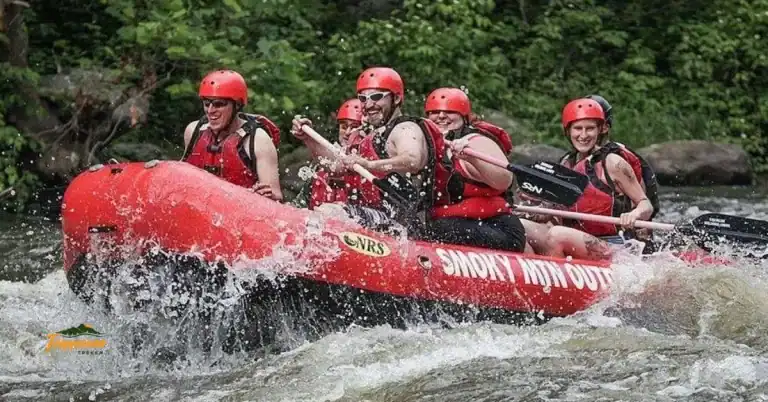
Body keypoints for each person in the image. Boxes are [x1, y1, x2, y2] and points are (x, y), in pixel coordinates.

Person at [291, 67, 446, 228]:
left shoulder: (405, 128)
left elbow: (413, 160)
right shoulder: (370, 136)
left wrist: (369, 165)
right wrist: (308, 139)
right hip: (374, 215)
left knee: (330, 212)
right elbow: (336, 167)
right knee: (310, 214)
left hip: (402, 223)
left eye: (377, 97)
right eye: (363, 98)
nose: (369, 104)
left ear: (397, 98)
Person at [529, 97, 657, 260]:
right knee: (524, 227)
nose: (583, 135)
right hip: (574, 239)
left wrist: (635, 214)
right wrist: (534, 207)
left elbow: (646, 205)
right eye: (578, 128)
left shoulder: (613, 162)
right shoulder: (565, 163)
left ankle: (557, 278)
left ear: (600, 129)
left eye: (590, 129)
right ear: (568, 131)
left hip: (614, 246)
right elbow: (553, 211)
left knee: (557, 234)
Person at [421, 87, 527, 252]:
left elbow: (504, 180)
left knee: (437, 228)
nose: (441, 116)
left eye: (450, 111)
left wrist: (470, 158)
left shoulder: (474, 141)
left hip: (497, 227)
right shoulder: (429, 143)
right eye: (435, 112)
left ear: (463, 116)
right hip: (458, 224)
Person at [182, 69, 283, 201]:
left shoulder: (258, 140)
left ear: (237, 105)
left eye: (219, 104)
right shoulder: (193, 131)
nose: (211, 111)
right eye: (207, 104)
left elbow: (277, 198)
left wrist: (268, 196)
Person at [308, 98, 370, 209]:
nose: (347, 133)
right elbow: (332, 164)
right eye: (344, 127)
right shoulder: (326, 158)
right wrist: (307, 138)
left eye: (354, 126)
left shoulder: (372, 157)